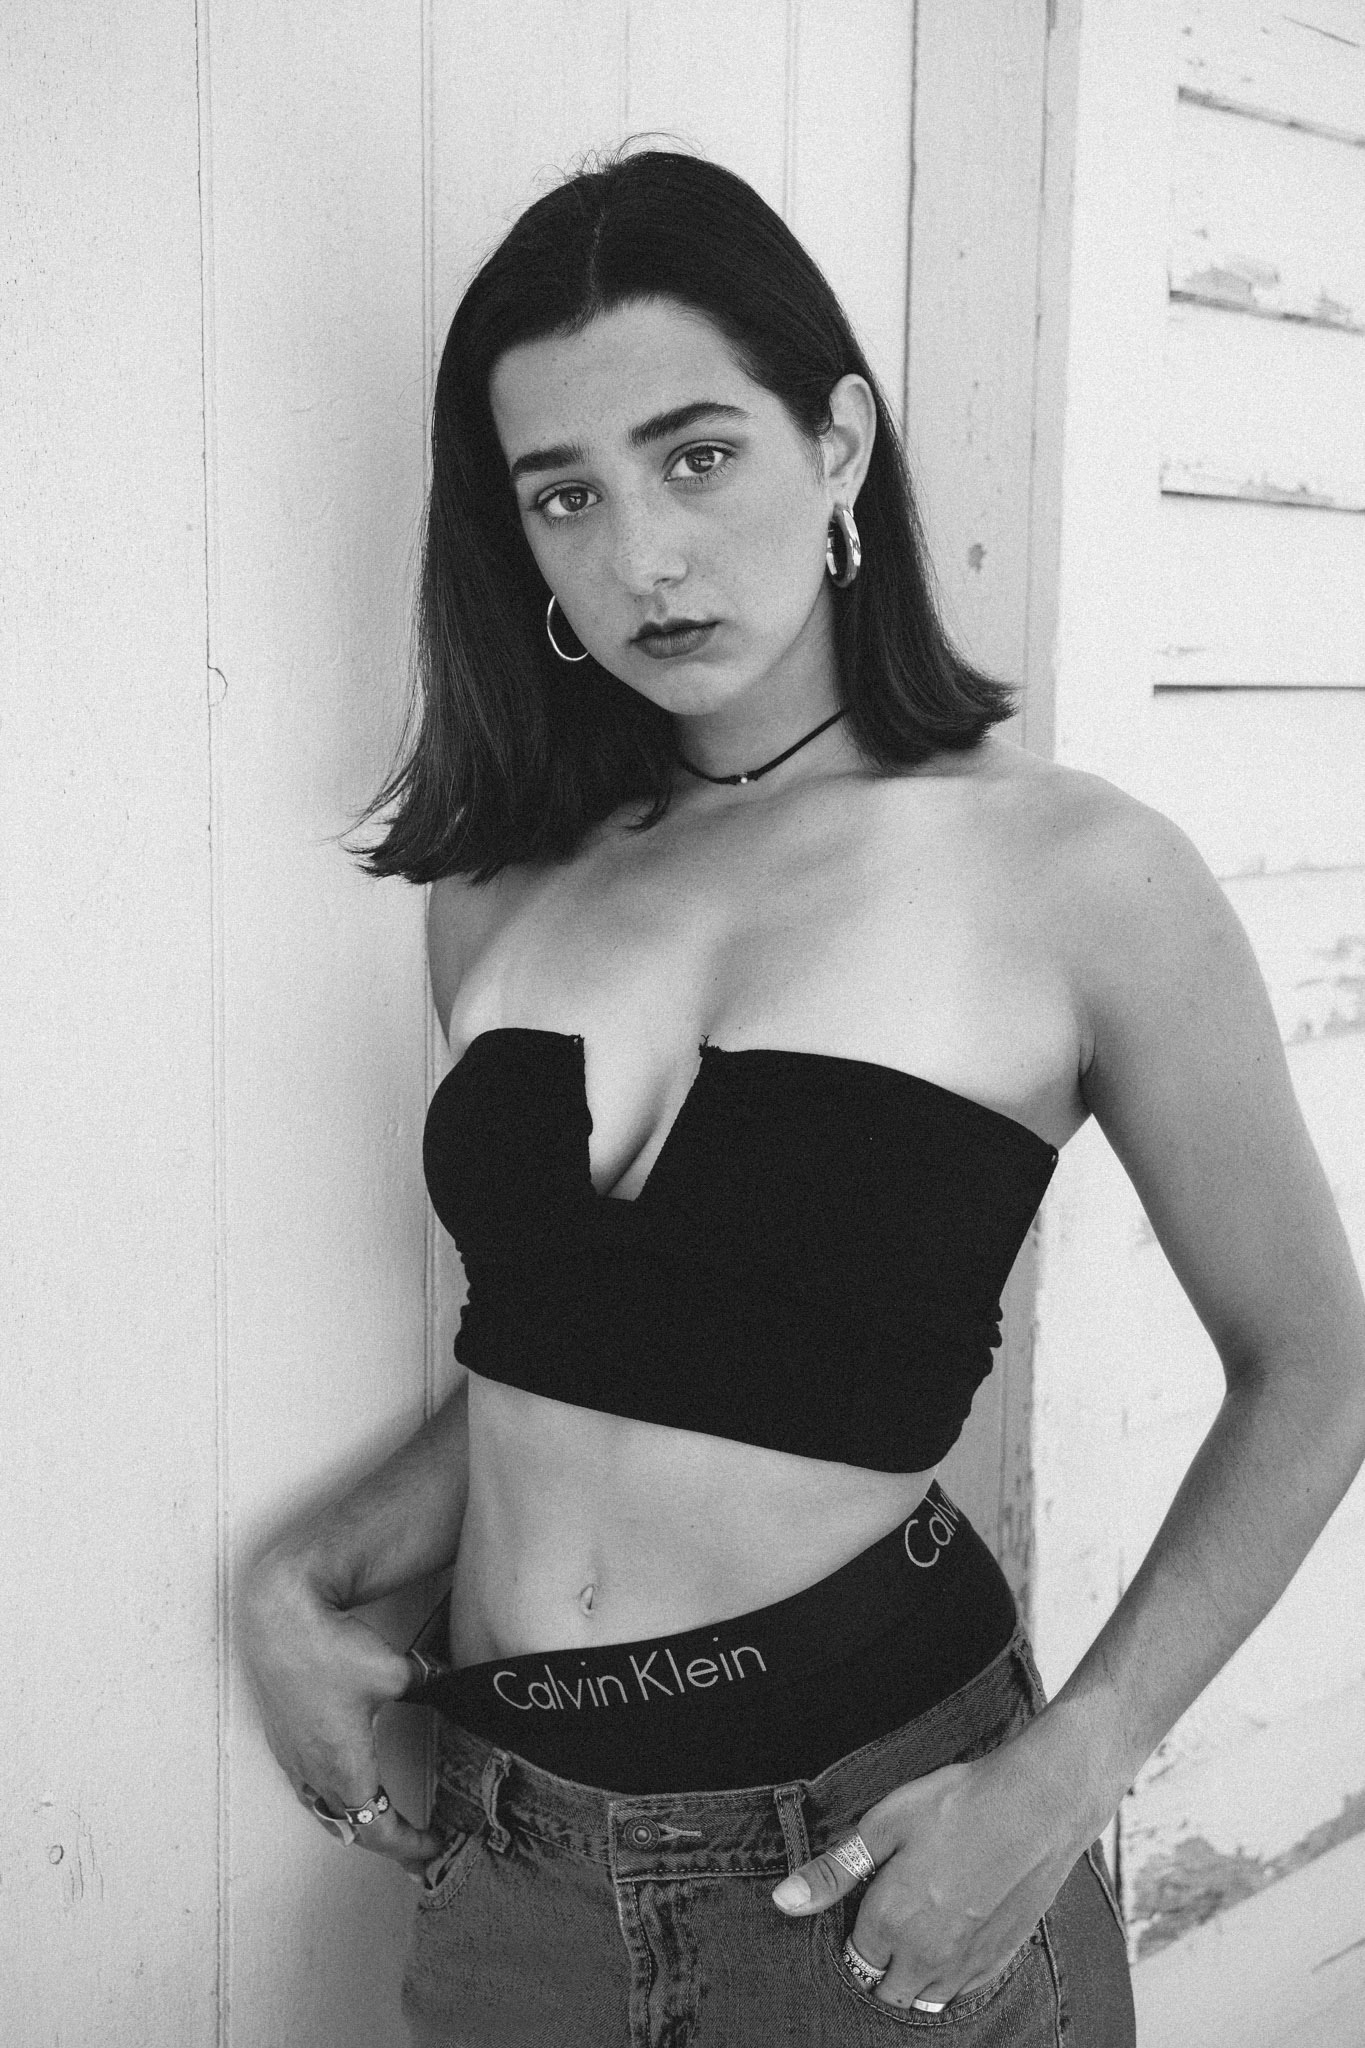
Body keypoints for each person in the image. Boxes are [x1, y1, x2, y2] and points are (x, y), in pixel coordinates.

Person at [240, 148, 1365, 2046]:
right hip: (510, 1860)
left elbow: (1313, 1363)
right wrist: (303, 1575)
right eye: (564, 495)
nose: (642, 557)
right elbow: (591, 1353)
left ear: (836, 440)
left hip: (874, 1852)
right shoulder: (503, 896)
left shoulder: (1075, 874)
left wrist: (1070, 1771)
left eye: (696, 457)